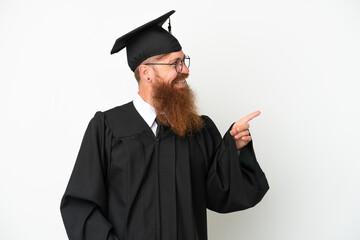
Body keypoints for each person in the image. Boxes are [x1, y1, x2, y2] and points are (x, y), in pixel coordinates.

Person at [60, 10, 269, 240]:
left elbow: (220, 194)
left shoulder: (197, 130)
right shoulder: (107, 128)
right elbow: (81, 207)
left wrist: (236, 150)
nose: (186, 71)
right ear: (147, 72)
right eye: (175, 64)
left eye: (184, 61)